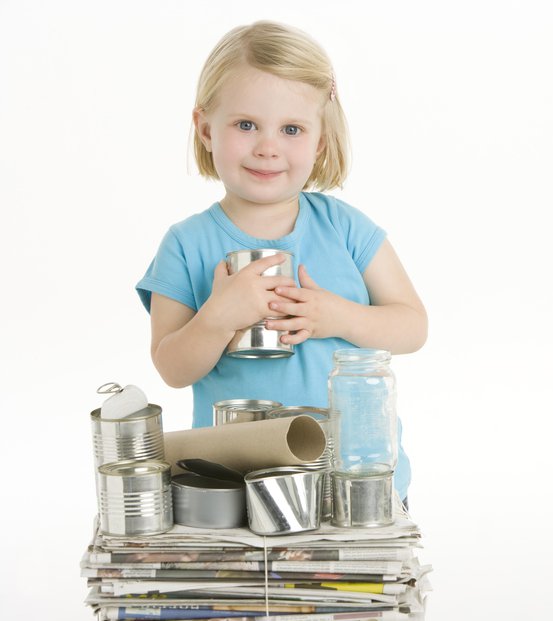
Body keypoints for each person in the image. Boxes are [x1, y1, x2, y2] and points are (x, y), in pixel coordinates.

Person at [135, 21, 427, 502]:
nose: (267, 146)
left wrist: (332, 314)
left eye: (291, 129)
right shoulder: (185, 244)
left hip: (353, 478)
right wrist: (217, 319)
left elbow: (413, 326)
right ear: (206, 128)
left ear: (320, 141)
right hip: (237, 486)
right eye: (246, 125)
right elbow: (172, 367)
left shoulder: (346, 228)